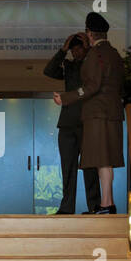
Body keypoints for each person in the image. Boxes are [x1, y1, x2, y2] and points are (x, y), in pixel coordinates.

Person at [52, 11, 123, 214]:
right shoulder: (115, 54)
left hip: (97, 114)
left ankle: (106, 205)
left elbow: (91, 86)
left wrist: (65, 98)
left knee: (100, 161)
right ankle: (106, 204)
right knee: (105, 161)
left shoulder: (95, 55)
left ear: (90, 33)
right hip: (112, 113)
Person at [43, 32, 101, 214]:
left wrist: (90, 49)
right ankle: (67, 207)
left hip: (87, 122)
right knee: (68, 168)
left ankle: (95, 206)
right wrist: (63, 48)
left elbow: (97, 67)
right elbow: (49, 70)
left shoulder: (91, 65)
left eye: (79, 48)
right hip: (67, 124)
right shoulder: (68, 66)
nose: (76, 52)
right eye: (73, 49)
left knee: (90, 167)